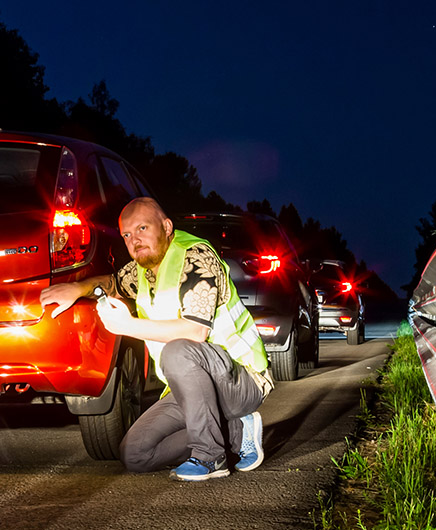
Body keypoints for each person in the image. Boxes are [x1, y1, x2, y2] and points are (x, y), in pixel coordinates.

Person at [40, 197, 272, 481]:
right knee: (135, 454)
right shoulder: (142, 269)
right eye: (126, 234)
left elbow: (195, 332)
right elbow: (113, 283)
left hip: (241, 380)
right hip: (191, 388)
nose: (134, 240)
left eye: (142, 229)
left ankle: (211, 457)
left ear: (166, 226)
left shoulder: (196, 257)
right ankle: (237, 431)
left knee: (178, 351)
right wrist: (77, 288)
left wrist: (127, 325)